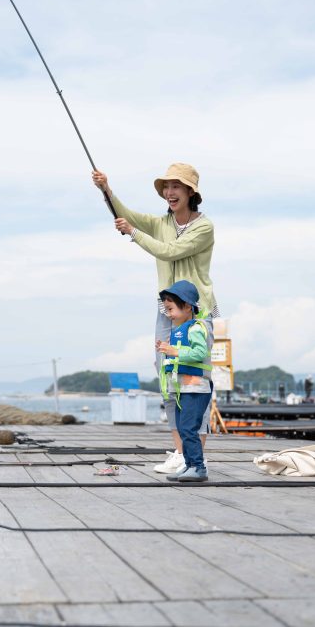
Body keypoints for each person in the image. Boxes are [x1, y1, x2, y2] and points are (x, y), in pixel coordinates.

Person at [92, 163, 218, 474]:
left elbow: (170, 252)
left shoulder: (204, 227)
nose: (170, 192)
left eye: (176, 186)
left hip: (196, 311)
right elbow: (127, 214)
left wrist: (133, 234)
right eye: (166, 187)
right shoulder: (161, 222)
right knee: (168, 381)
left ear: (191, 192)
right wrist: (107, 190)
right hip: (167, 311)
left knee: (194, 381)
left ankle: (196, 456)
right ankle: (180, 452)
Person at [156, 280, 213, 482]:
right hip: (183, 389)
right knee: (182, 428)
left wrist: (174, 351)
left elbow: (199, 352)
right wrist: (166, 348)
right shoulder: (182, 329)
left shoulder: (196, 328)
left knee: (189, 428)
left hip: (196, 389)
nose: (169, 314)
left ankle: (198, 467)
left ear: (188, 307)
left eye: (171, 309)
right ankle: (189, 465)